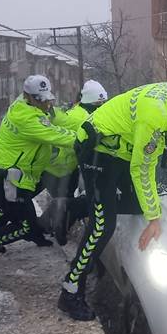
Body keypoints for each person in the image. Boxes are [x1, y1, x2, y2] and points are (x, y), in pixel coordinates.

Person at [57, 82, 167, 320]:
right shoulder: (156, 118)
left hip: (121, 146)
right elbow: (142, 169)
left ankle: (79, 206)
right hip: (97, 148)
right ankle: (70, 291)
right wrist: (153, 219)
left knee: (139, 203)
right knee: (103, 226)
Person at [0, 74, 79, 249]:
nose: (45, 103)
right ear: (28, 96)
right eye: (40, 99)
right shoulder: (28, 119)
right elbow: (57, 135)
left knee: (7, 211)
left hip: (6, 173)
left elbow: (56, 120)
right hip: (9, 178)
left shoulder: (23, 106)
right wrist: (85, 138)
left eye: (46, 99)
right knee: (25, 224)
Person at [41, 80, 109, 245]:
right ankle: (52, 229)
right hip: (61, 166)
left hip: (61, 165)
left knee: (63, 202)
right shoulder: (86, 117)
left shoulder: (77, 111)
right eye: (99, 103)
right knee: (64, 203)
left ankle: (51, 227)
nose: (102, 105)